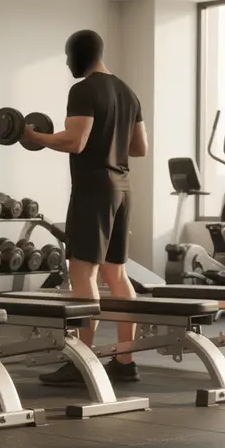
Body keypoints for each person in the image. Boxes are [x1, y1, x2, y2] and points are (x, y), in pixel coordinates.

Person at [22, 30, 148, 387]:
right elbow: (139, 148)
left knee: (83, 273)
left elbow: (74, 142)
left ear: (80, 53)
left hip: (94, 189)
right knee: (117, 274)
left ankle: (82, 361)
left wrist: (35, 137)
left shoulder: (83, 90)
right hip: (123, 187)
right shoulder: (127, 91)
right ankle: (125, 360)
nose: (66, 63)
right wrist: (111, 139)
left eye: (67, 56)